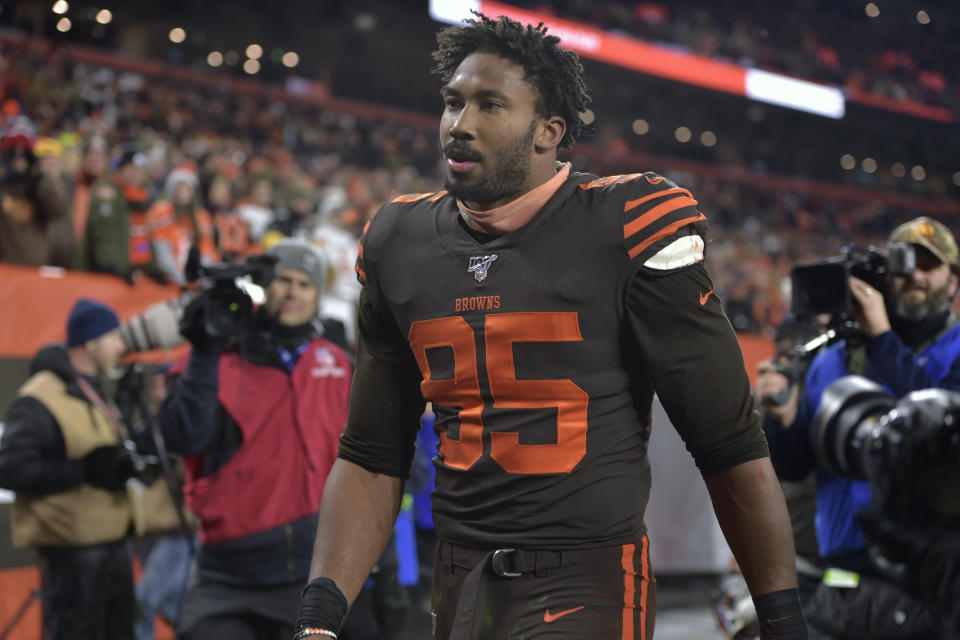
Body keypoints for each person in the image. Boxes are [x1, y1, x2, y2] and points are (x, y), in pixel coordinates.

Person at [294, 13, 805, 640]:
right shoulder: (398, 241)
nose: (460, 124)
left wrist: (782, 619)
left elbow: (728, 443)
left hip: (586, 577)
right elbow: (373, 455)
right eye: (453, 103)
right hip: (458, 579)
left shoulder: (627, 222)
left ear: (549, 132)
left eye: (490, 105)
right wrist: (319, 618)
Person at [766, 216, 960, 638]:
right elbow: (795, 467)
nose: (915, 275)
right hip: (843, 587)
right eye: (904, 264)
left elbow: (945, 436)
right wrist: (780, 421)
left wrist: (883, 338)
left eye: (930, 265)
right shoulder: (832, 357)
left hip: (933, 589)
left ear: (953, 281)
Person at [159, 239, 352, 639]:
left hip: (310, 573)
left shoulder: (337, 363)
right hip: (225, 574)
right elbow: (183, 436)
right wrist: (203, 352)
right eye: (283, 280)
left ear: (317, 296)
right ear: (266, 288)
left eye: (304, 283)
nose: (292, 292)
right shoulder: (217, 358)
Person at [0, 298, 142, 640]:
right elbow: (10, 469)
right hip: (73, 557)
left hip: (111, 548)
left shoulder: (92, 390)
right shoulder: (40, 396)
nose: (121, 346)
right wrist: (83, 469)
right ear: (90, 343)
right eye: (113, 337)